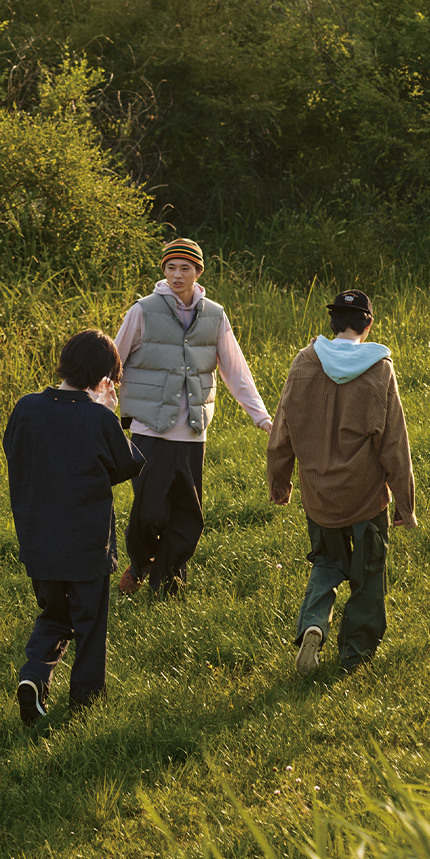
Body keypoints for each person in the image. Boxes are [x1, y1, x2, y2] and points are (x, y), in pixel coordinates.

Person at [267, 289, 416, 676]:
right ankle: (354, 656)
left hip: (318, 494)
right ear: (368, 323)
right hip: (366, 496)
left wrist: (279, 482)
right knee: (367, 574)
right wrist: (405, 503)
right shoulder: (380, 368)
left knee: (327, 562)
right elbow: (394, 442)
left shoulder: (304, 361)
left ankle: (313, 622)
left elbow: (282, 429)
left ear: (332, 322)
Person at [114, 237, 272, 598]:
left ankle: (169, 588)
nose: (177, 274)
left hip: (192, 433)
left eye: (185, 268)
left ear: (198, 272)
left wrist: (261, 417)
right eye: (171, 267)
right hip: (149, 431)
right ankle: (141, 565)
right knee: (149, 513)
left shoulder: (215, 315)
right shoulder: (142, 310)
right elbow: (114, 363)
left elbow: (236, 371)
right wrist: (92, 410)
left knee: (188, 518)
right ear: (163, 271)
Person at [3, 329, 145, 725]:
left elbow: (13, 450)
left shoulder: (26, 408)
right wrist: (106, 411)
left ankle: (34, 676)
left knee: (54, 615)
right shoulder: (98, 418)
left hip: (39, 543)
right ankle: (85, 706)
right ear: (104, 380)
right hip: (87, 547)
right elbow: (127, 465)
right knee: (90, 626)